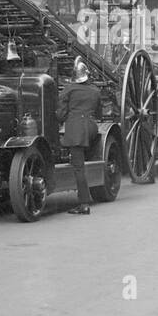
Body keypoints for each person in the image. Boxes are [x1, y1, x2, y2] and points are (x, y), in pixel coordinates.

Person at [56, 59, 101, 216]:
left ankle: (83, 204)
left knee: (78, 167)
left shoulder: (68, 90)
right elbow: (99, 113)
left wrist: (62, 121)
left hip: (76, 130)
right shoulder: (95, 91)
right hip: (91, 128)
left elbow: (60, 114)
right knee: (82, 158)